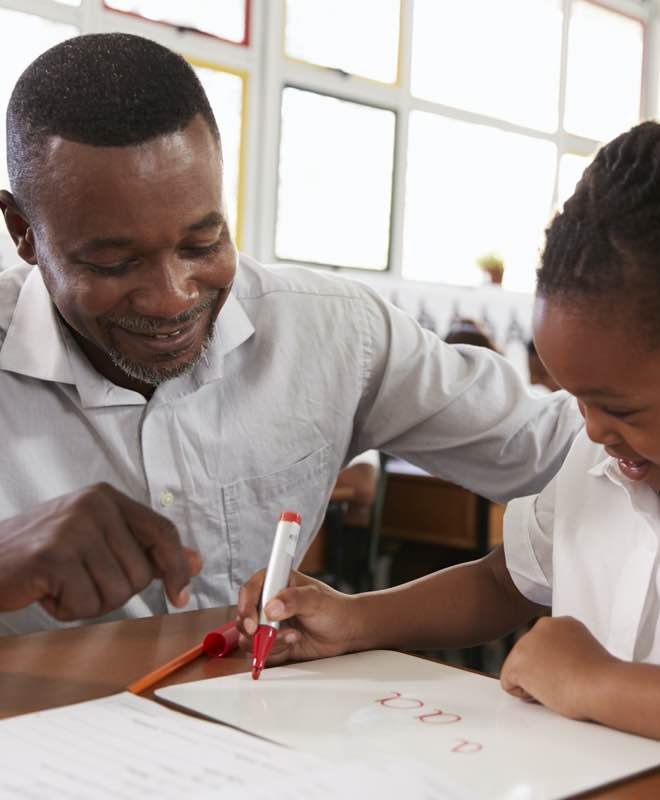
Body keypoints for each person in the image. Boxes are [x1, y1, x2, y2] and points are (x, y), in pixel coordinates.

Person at [0, 33, 580, 635]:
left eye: (203, 244)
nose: (173, 297)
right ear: (22, 232)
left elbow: (568, 451)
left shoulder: (335, 333)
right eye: (114, 263)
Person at [238, 121, 660, 741]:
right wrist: (355, 619)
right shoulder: (597, 459)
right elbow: (504, 581)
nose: (593, 430)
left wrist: (599, 683)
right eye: (577, 400)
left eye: (619, 409)